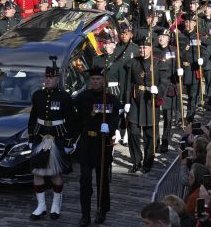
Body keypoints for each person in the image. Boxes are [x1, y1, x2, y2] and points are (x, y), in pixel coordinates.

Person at [27, 57, 75, 220]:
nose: (48, 80)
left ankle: (56, 204)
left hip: (58, 137)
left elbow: (71, 119)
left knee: (56, 173)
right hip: (40, 136)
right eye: (46, 77)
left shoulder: (64, 97)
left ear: (57, 79)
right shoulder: (38, 95)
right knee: (38, 173)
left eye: (51, 77)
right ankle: (41, 205)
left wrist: (69, 141)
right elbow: (33, 117)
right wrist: (30, 136)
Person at [75, 66, 120, 226]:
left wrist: (110, 128)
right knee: (85, 180)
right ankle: (85, 214)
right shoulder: (82, 98)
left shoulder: (111, 99)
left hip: (102, 144)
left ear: (103, 80)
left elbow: (115, 116)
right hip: (87, 143)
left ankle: (101, 210)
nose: (95, 82)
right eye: (93, 79)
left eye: (98, 79)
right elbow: (76, 119)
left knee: (103, 181)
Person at [124, 36, 165, 173]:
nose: (142, 49)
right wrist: (127, 102)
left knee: (149, 135)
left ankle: (148, 162)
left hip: (150, 101)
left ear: (150, 48)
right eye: (140, 47)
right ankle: (136, 160)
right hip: (136, 101)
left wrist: (158, 90)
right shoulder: (133, 62)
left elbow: (164, 82)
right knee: (133, 132)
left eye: (144, 47)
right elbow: (129, 83)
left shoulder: (158, 63)